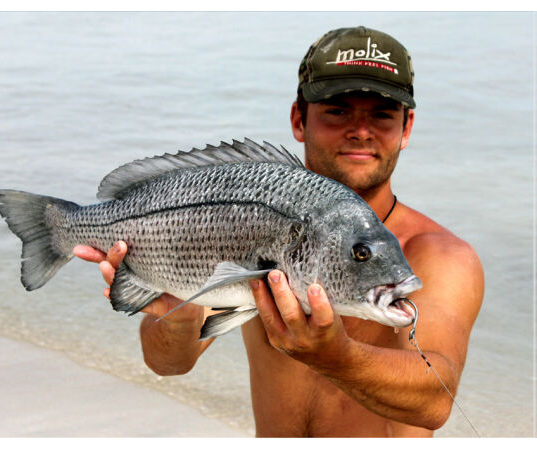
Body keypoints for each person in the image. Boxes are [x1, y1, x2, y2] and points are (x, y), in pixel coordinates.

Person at [74, 26, 484, 437]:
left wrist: (335, 355)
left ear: (406, 127)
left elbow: (435, 401)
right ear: (298, 120)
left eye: (382, 114)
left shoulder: (442, 257)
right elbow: (169, 363)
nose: (361, 130)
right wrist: (178, 318)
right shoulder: (255, 220)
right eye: (337, 111)